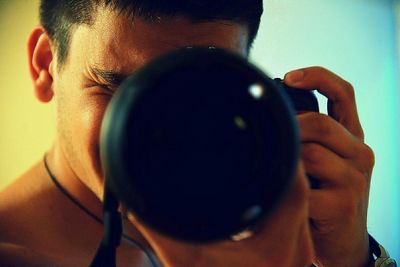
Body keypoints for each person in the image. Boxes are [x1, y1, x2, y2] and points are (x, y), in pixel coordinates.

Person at [0, 1, 376, 266]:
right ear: (46, 65)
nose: (165, 130)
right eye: (119, 89)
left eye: (203, 91)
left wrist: (349, 260)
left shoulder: (264, 229)